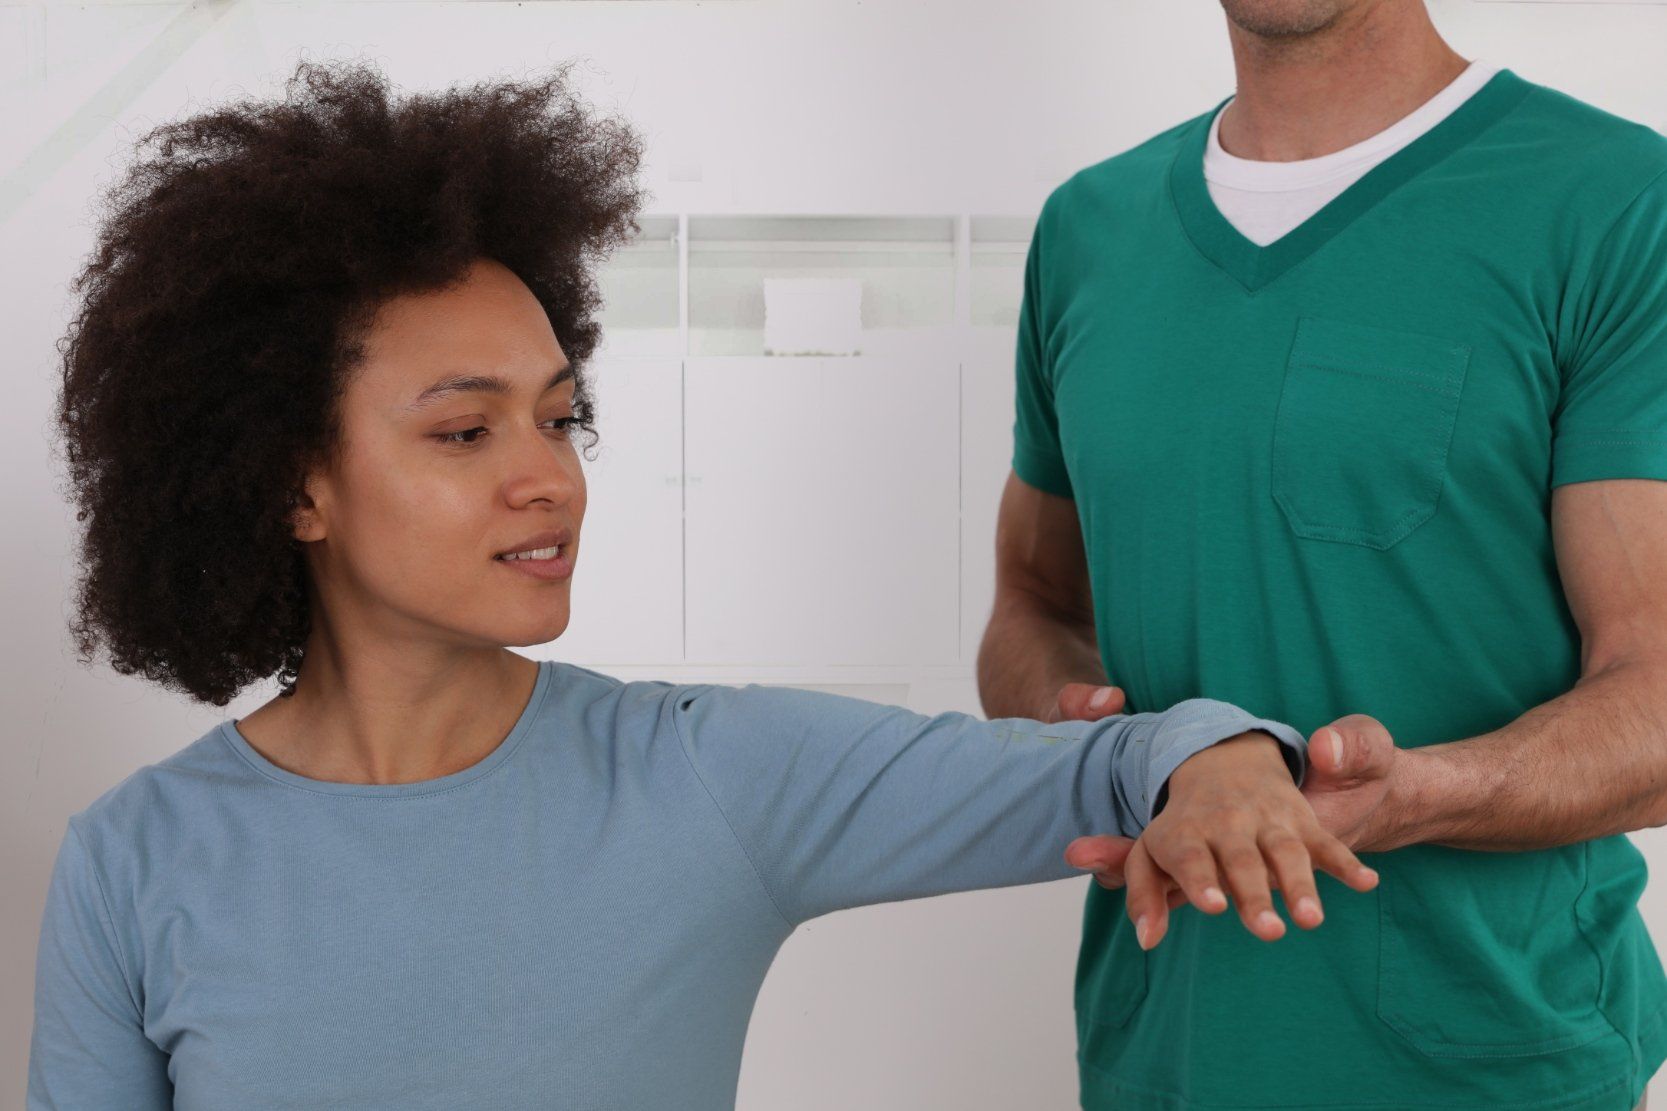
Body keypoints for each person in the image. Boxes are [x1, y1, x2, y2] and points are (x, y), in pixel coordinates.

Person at [27, 59, 1381, 1110]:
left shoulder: (703, 776)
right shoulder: (134, 859)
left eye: (558, 417)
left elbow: (1108, 767)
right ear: (291, 482)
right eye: (463, 430)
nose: (547, 477)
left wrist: (1215, 769)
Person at [977, 2, 1667, 1109]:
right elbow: (1032, 600)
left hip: (1493, 1065)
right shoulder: (1086, 229)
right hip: (1159, 1058)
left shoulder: (1616, 201)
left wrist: (1412, 795)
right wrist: (1108, 742)